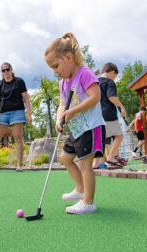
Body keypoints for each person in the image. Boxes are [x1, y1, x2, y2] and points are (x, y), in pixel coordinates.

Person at [45, 32, 105, 214]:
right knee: (65, 158)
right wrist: (59, 118)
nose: (55, 71)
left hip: (91, 126)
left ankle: (89, 202)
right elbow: (63, 104)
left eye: (56, 66)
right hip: (77, 129)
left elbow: (95, 97)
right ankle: (80, 190)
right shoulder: (63, 83)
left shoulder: (84, 74)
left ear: (69, 57)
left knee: (85, 164)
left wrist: (72, 112)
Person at [0, 62, 32, 172]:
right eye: (3, 70)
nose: (6, 72)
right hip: (3, 114)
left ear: (11, 69)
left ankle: (19, 165)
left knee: (18, 138)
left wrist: (29, 114)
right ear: (1, 72)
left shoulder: (19, 81)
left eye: (7, 69)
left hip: (17, 112)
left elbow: (26, 99)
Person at [92, 62, 126, 169]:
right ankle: (111, 157)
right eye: (115, 76)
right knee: (119, 135)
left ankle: (96, 163)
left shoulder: (95, 81)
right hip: (108, 114)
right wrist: (121, 107)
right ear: (112, 72)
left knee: (100, 141)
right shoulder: (109, 82)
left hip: (96, 115)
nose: (114, 79)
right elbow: (111, 97)